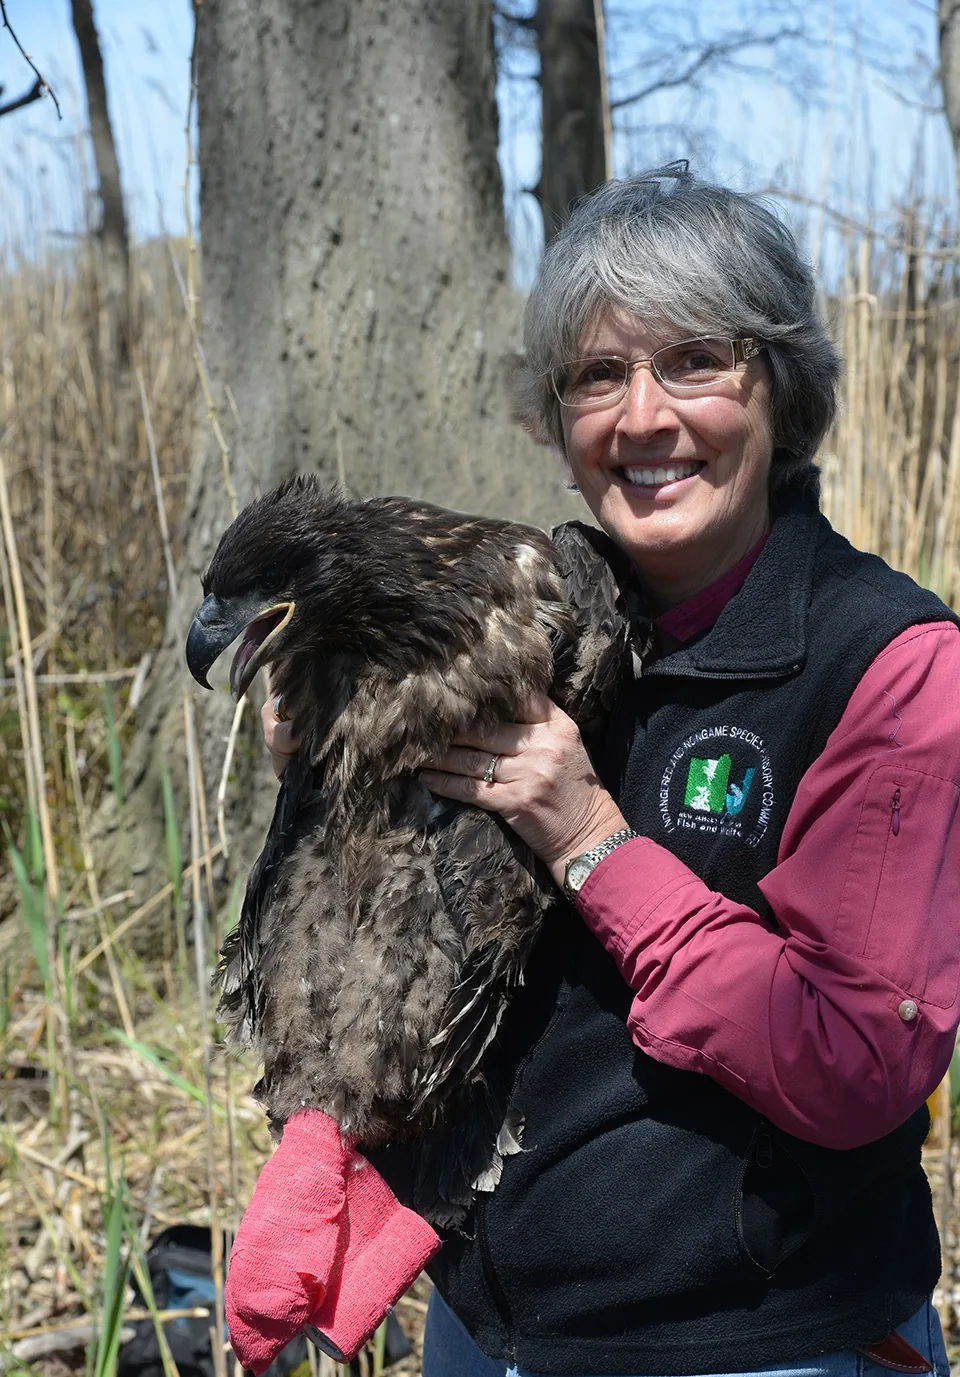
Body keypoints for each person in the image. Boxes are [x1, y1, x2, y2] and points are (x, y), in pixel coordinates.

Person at [263, 165, 960, 1376]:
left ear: (781, 392)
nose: (642, 417)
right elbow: (418, 958)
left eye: (695, 361)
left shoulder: (890, 666)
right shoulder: (527, 619)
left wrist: (588, 833)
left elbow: (861, 1062)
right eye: (597, 375)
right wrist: (331, 776)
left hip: (759, 1337)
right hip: (490, 1327)